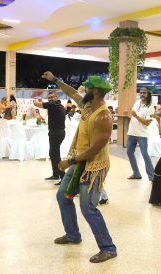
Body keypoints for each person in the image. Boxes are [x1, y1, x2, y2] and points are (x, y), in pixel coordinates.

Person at [42, 71, 117, 263]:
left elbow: (94, 150)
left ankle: (108, 248)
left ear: (97, 91)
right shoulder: (87, 106)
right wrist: (55, 80)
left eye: (88, 87)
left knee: (88, 208)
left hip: (94, 166)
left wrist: (69, 161)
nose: (84, 89)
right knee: (63, 196)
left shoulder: (104, 117)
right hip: (79, 162)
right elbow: (72, 92)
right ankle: (73, 235)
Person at [33, 92, 66, 184]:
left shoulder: (53, 105)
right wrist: (41, 101)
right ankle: (56, 175)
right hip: (58, 132)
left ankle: (63, 177)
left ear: (57, 97)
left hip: (56, 133)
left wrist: (36, 99)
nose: (50, 99)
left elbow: (35, 104)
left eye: (52, 97)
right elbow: (45, 105)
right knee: (53, 154)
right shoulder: (58, 105)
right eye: (49, 98)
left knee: (55, 155)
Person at [124, 87, 155, 181]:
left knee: (145, 154)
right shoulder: (137, 103)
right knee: (129, 152)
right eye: (140, 92)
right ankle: (136, 173)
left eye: (144, 93)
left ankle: (152, 177)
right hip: (132, 132)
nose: (142, 94)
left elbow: (147, 122)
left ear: (148, 94)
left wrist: (136, 116)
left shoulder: (150, 107)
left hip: (142, 134)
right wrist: (127, 115)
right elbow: (133, 117)